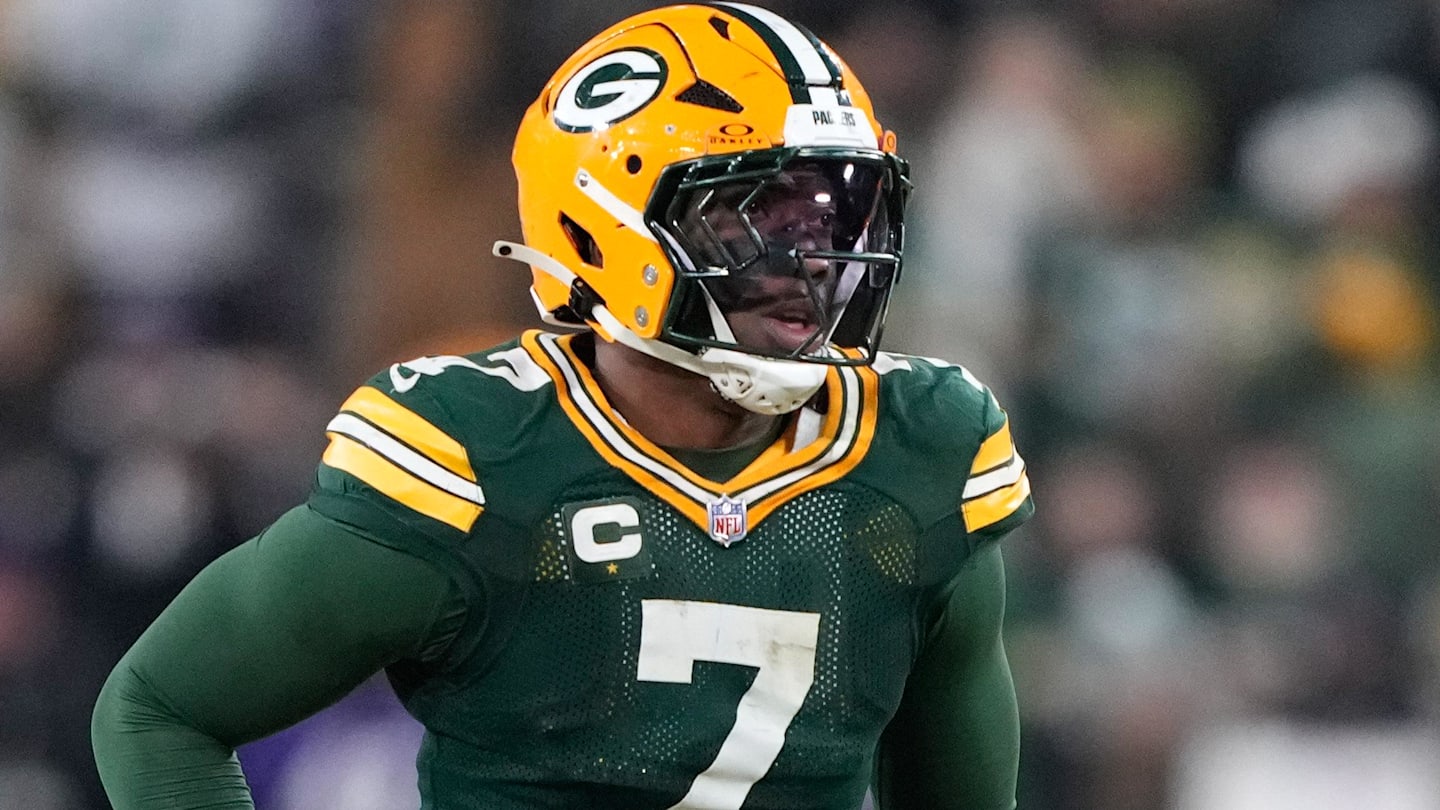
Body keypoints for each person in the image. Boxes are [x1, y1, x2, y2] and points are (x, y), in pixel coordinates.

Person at [91, 4, 1034, 809]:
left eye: (836, 212)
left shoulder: (917, 456)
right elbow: (160, 709)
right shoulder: (480, 460)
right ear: (604, 225)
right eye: (758, 213)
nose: (816, 256)